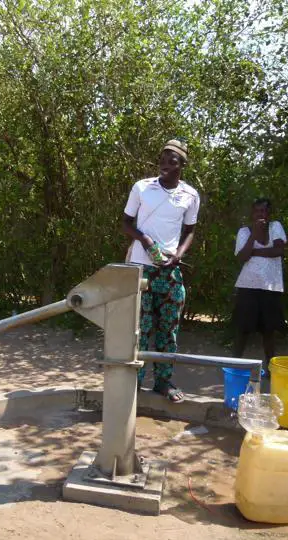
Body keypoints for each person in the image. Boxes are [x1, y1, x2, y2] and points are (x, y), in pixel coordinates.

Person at [123, 139, 200, 403]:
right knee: (140, 328)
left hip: (169, 269)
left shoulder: (190, 195)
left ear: (182, 165)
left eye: (172, 161)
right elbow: (126, 223)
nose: (165, 165)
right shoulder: (142, 188)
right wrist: (145, 241)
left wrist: (178, 255)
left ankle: (163, 381)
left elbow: (190, 230)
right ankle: (133, 382)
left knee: (169, 327)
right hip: (140, 267)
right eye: (163, 160)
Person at [232, 198, 287, 371]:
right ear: (252, 213)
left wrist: (254, 252)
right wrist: (254, 236)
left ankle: (271, 370)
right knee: (243, 329)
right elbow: (241, 257)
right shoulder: (244, 231)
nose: (260, 214)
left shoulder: (275, 227)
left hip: (271, 287)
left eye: (264, 211)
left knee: (268, 331)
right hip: (247, 285)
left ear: (269, 214)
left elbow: (278, 250)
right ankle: (233, 366)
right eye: (257, 211)